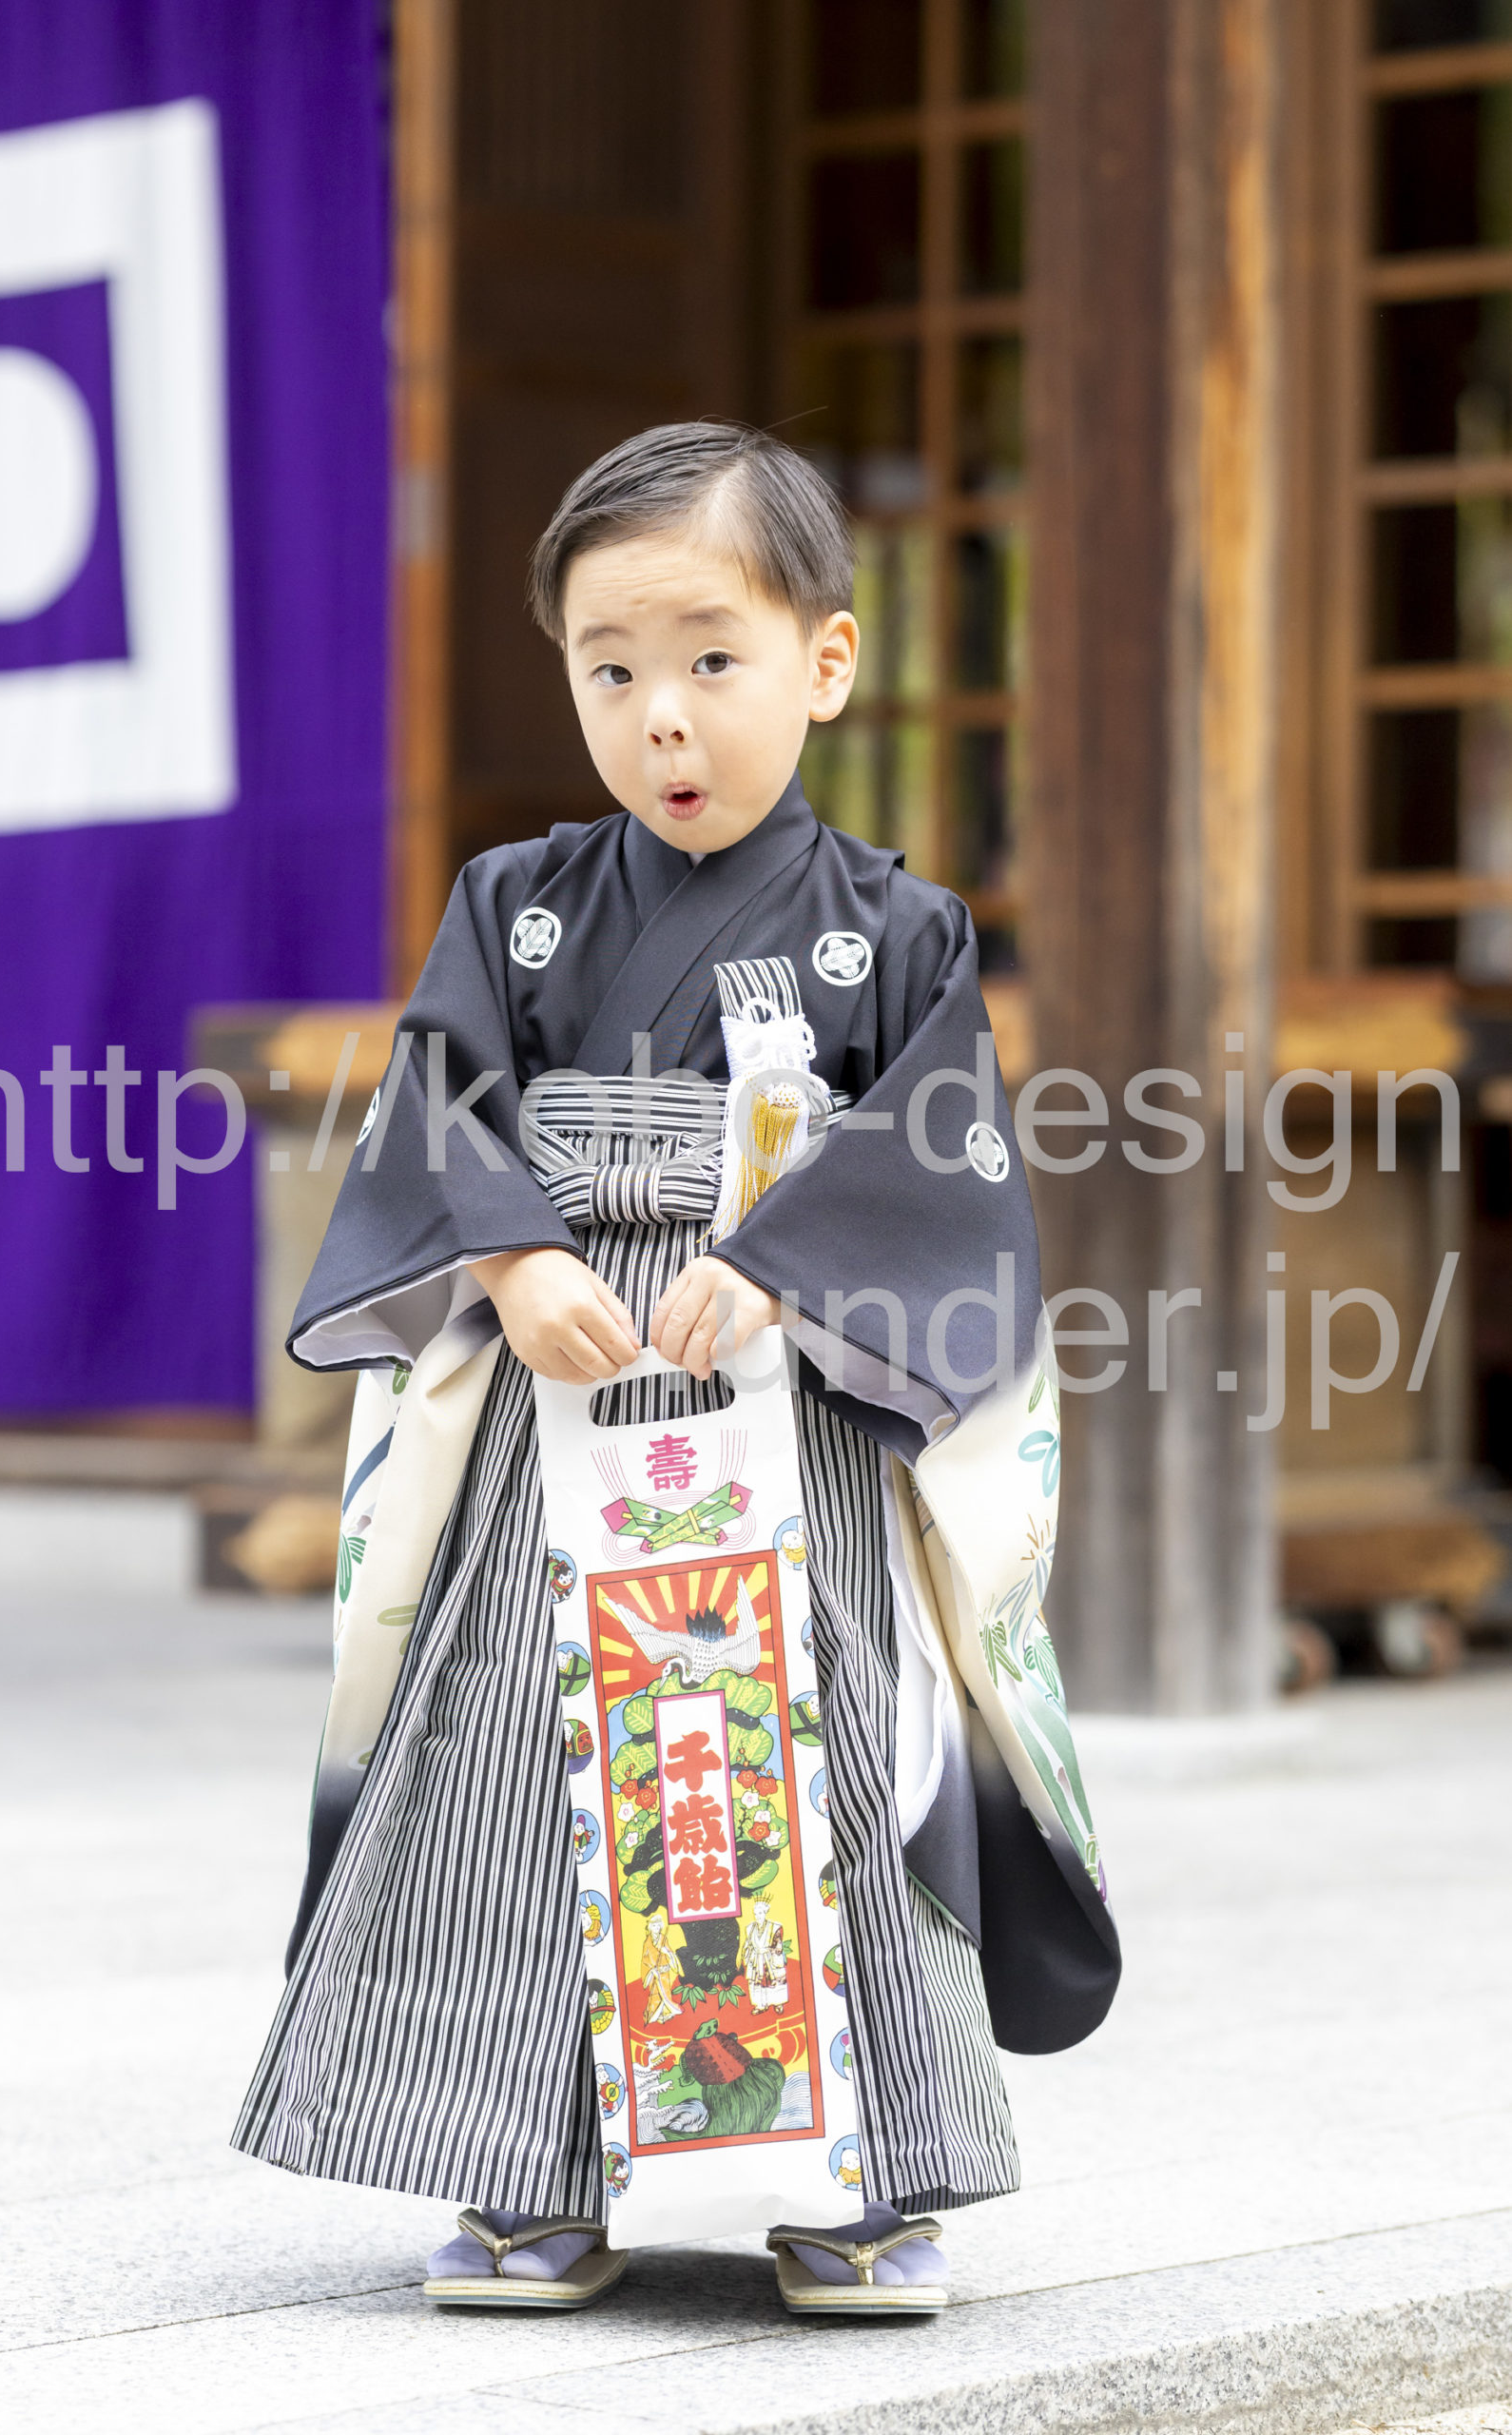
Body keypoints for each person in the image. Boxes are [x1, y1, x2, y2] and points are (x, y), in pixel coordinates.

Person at [232, 421, 1119, 2317]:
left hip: (783, 1397)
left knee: (812, 1735)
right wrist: (511, 1251)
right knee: (513, 1746)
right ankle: (526, 2170)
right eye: (610, 669)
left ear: (825, 659)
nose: (662, 718)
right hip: (554, 1382)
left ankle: (860, 2177)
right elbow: (438, 1098)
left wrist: (785, 1263)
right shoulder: (517, 902)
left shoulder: (896, 932)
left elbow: (940, 1161)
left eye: (712, 658)